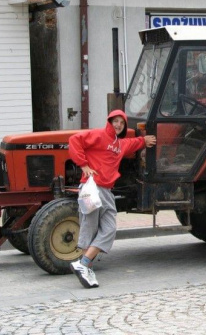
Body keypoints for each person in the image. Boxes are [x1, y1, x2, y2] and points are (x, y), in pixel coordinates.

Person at [68, 109, 156, 288]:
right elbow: (74, 140)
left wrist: (144, 141)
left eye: (122, 123)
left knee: (109, 228)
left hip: (106, 191)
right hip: (91, 188)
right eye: (115, 121)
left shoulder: (119, 144)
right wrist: (83, 165)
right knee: (90, 227)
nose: (118, 125)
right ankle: (86, 268)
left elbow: (132, 143)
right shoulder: (99, 135)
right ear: (109, 121)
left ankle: (83, 263)